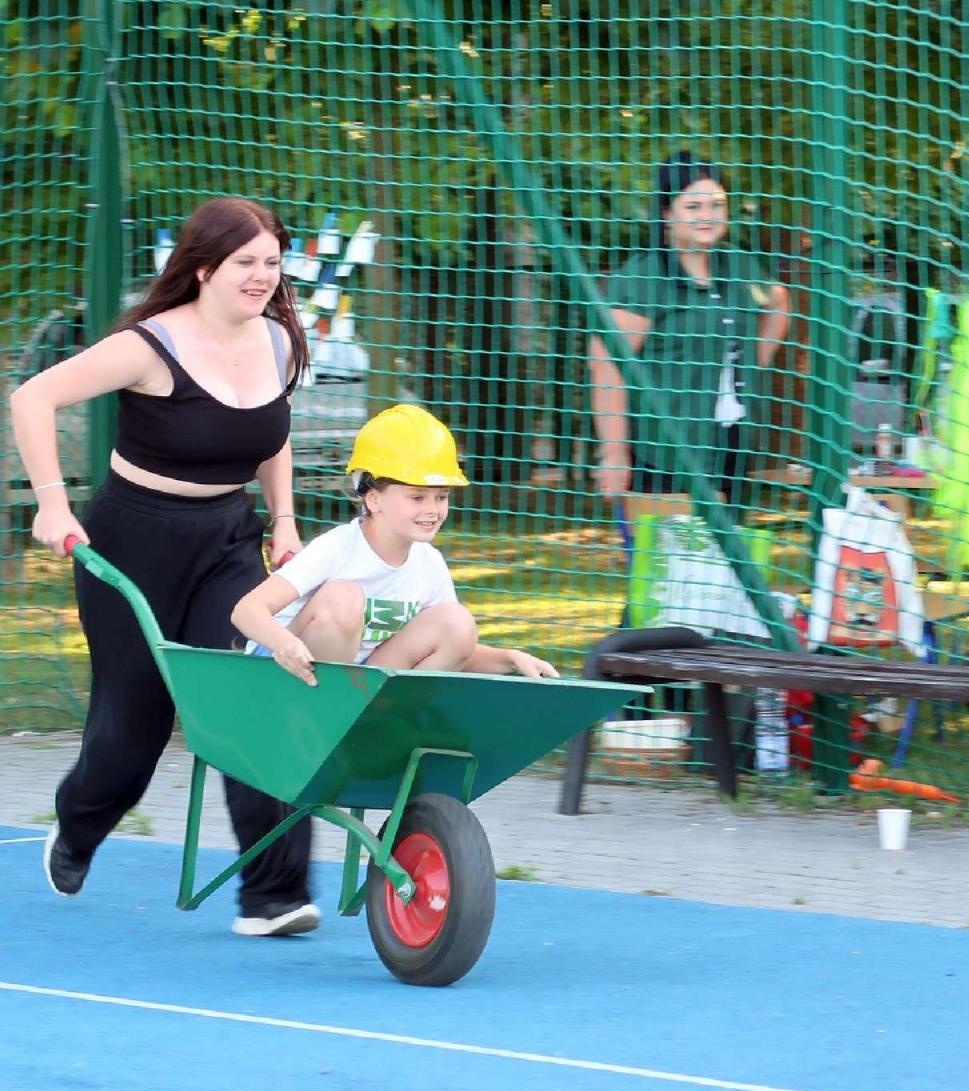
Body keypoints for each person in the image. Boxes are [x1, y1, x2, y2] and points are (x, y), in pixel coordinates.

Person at [9, 196, 319, 934]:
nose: (262, 277)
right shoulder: (150, 346)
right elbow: (33, 397)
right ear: (204, 267)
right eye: (246, 263)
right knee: (131, 736)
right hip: (133, 542)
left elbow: (268, 433)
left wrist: (283, 522)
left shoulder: (276, 340)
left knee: (253, 686)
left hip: (226, 541)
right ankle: (80, 825)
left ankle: (273, 892)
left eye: (272, 263)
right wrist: (53, 504)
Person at [231, 404, 559, 685]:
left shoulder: (428, 564)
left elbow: (456, 649)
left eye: (441, 497)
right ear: (373, 499)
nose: (432, 509)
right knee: (343, 597)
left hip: (354, 679)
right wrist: (285, 643)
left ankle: (373, 724)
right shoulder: (339, 548)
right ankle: (324, 721)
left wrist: (511, 658)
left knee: (456, 623)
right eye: (417, 497)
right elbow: (247, 611)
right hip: (284, 676)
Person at [589, 151, 791, 518]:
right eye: (694, 205)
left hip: (731, 442)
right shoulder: (643, 277)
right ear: (667, 212)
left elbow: (778, 303)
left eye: (717, 204)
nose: (708, 215)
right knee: (670, 566)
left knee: (731, 562)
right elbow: (606, 365)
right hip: (665, 450)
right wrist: (614, 452)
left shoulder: (740, 265)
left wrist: (753, 361)